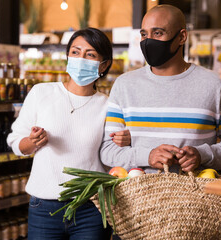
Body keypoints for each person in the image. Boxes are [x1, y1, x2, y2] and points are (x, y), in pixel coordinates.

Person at [7, 27, 131, 240]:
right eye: (75, 52)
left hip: (91, 209)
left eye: (90, 54)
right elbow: (16, 142)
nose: (80, 59)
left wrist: (125, 141)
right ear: (67, 56)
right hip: (44, 207)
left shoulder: (108, 105)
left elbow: (112, 159)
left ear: (104, 64)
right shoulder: (41, 92)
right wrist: (32, 142)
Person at [100, 4, 221, 174]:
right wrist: (147, 156)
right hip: (137, 196)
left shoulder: (215, 85)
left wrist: (203, 154)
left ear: (182, 37)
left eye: (158, 33)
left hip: (195, 196)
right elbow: (108, 150)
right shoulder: (124, 85)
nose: (148, 41)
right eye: (144, 34)